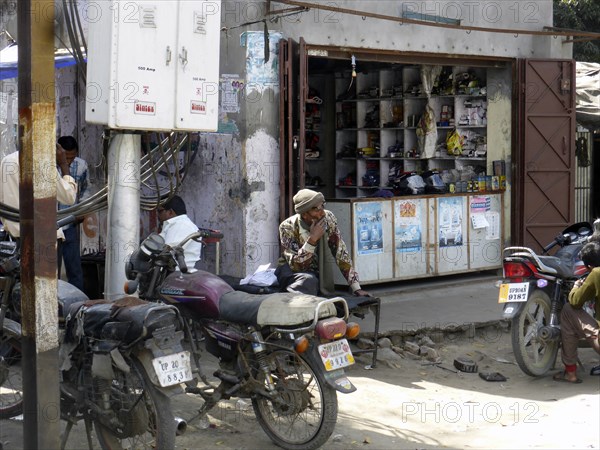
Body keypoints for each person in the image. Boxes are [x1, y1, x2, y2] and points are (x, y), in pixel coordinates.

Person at [276, 188, 370, 297]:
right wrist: (312, 239)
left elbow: (341, 253)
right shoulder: (287, 227)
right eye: (316, 209)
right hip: (291, 270)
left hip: (314, 271)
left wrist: (356, 287)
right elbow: (297, 267)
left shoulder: (328, 218)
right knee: (309, 280)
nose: (322, 213)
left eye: (323, 206)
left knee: (316, 283)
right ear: (304, 214)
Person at [0, 144, 77, 239]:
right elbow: (69, 197)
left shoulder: (7, 161)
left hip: (17, 237)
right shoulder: (43, 163)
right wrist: (63, 164)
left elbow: (2, 201)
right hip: (44, 237)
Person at [553, 241, 600, 383]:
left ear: (589, 266)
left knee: (568, 310)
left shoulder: (596, 273)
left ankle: (570, 373)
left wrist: (576, 287)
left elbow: (575, 301)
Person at [57, 136, 90, 291]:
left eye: (72, 157)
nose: (69, 161)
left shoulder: (81, 166)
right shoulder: (49, 166)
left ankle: (77, 304)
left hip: (70, 223)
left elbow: (86, 190)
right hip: (51, 225)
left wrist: (82, 210)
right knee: (52, 270)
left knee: (74, 268)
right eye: (66, 158)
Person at [157, 195, 202, 271]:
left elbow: (164, 253)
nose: (157, 215)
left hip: (177, 275)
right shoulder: (174, 225)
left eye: (160, 211)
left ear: (170, 212)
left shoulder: (181, 225)